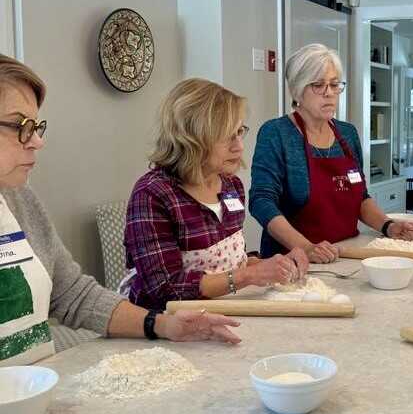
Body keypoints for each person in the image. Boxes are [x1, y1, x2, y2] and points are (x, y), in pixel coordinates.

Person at [0, 55, 241, 366]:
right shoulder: (154, 191)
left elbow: (74, 295)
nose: (36, 142)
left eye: (35, 127)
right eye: (21, 125)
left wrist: (164, 325)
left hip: (32, 393)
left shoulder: (21, 199)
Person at [124, 79, 308, 310]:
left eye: (240, 131)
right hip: (168, 324)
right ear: (191, 138)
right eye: (226, 136)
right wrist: (249, 276)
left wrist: (270, 264)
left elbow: (229, 261)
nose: (239, 146)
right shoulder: (152, 195)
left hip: (222, 309)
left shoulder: (232, 186)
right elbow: (164, 290)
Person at [250, 43, 413, 263]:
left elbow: (361, 198)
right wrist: (306, 247)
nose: (329, 93)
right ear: (296, 90)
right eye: (318, 85)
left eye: (334, 84)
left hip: (346, 254)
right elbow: (261, 201)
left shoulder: (347, 134)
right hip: (292, 261)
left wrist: (388, 226)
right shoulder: (276, 134)